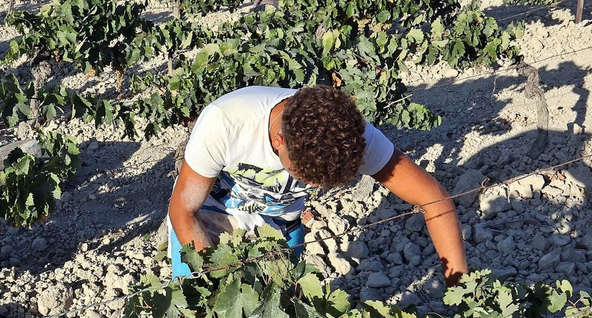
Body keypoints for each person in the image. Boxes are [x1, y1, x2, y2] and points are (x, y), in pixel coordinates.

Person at [166, 85, 468, 285]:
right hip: (209, 218)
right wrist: (220, 285)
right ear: (277, 141)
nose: (312, 187)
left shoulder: (350, 135)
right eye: (305, 177)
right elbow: (183, 209)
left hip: (279, 226)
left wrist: (460, 294)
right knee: (200, 314)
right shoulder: (226, 123)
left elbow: (433, 199)